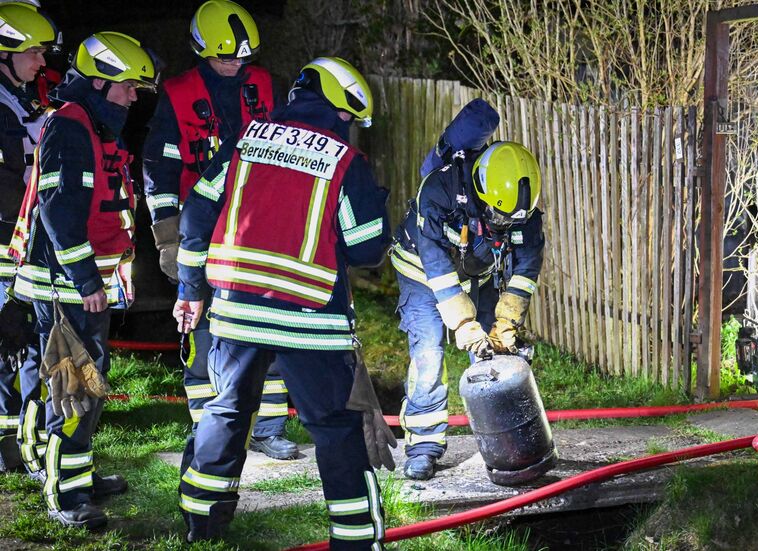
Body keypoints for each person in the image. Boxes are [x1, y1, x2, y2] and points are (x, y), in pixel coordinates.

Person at [172, 57, 392, 547]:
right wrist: (376, 200)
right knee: (334, 429)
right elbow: (367, 248)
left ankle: (200, 524)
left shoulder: (246, 141)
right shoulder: (344, 160)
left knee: (227, 411)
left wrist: (190, 288)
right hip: (309, 320)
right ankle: (355, 537)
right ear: (342, 109)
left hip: (235, 313)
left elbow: (195, 216)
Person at [8, 31, 158, 529]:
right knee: (75, 387)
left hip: (82, 281)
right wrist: (88, 280)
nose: (133, 96)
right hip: (68, 284)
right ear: (99, 82)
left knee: (73, 384)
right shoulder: (71, 128)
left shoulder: (92, 124)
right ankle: (65, 494)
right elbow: (58, 213)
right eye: (128, 87)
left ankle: (74, 474)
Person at [142, 0, 297, 461]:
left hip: (259, 229)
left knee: (266, 326)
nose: (234, 65)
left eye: (242, 57)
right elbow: (159, 166)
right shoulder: (177, 94)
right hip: (202, 228)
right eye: (224, 56)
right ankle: (209, 431)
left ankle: (268, 427)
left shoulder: (267, 85)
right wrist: (167, 234)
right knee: (203, 327)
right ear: (200, 50)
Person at [390, 135, 545, 480]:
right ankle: (423, 446)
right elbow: (436, 267)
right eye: (498, 218)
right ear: (481, 192)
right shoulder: (439, 192)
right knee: (429, 354)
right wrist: (463, 324)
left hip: (478, 274)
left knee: (495, 357)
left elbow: (526, 268)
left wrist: (506, 321)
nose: (505, 225)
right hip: (421, 271)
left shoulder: (523, 211)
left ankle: (507, 443)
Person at [0, 0, 59, 478]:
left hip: (22, 241)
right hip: (4, 242)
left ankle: (24, 439)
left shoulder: (21, 99)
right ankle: (7, 447)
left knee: (27, 346)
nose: (42, 61)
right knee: (8, 344)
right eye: (34, 52)